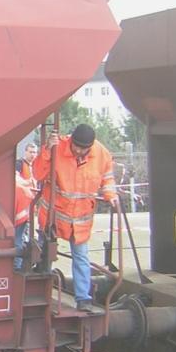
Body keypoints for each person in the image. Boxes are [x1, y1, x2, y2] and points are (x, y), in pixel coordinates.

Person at [33, 124, 118, 311]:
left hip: (80, 220)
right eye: (75, 146)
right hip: (53, 217)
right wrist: (47, 150)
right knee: (46, 252)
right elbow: (38, 173)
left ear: (91, 146)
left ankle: (83, 299)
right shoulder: (57, 147)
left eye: (83, 148)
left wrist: (111, 196)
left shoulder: (102, 155)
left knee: (81, 256)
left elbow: (107, 178)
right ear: (71, 141)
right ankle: (42, 287)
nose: (78, 150)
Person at [13, 143, 39, 270]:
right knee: (18, 239)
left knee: (23, 238)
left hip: (29, 209)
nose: (33, 155)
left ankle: (20, 265)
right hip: (20, 209)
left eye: (35, 152)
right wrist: (27, 183)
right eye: (31, 152)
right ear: (25, 152)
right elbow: (15, 178)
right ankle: (17, 267)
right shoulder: (19, 164)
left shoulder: (35, 166)